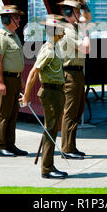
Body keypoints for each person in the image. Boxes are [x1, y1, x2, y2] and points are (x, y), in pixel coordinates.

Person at [22, 14, 71, 179]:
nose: (64, 33)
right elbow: (33, 72)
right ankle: (47, 168)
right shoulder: (49, 50)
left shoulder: (55, 48)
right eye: (62, 30)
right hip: (50, 92)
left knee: (51, 129)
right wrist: (26, 96)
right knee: (50, 130)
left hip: (56, 92)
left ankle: (48, 165)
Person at [57, 0, 92, 159]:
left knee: (78, 110)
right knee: (70, 112)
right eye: (77, 10)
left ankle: (71, 145)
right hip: (70, 72)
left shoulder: (75, 27)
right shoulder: (68, 30)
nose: (80, 14)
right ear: (71, 11)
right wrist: (86, 33)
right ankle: (67, 148)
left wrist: (85, 4)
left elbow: (87, 17)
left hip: (77, 72)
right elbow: (85, 49)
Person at [0, 5, 28, 157]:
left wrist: (22, 80)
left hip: (15, 79)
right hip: (5, 78)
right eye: (16, 17)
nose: (19, 19)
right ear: (7, 19)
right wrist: (0, 82)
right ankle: (0, 146)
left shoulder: (14, 35)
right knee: (4, 113)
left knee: (13, 113)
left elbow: (17, 60)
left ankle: (10, 144)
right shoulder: (1, 36)